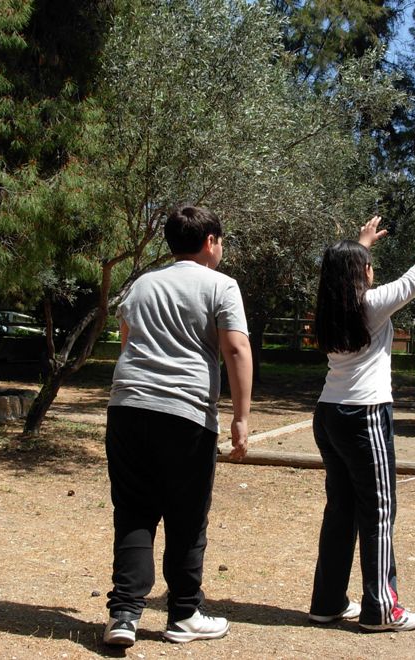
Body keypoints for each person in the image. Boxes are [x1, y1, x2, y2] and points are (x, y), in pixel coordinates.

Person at [103, 206, 252, 647]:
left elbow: (127, 340)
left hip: (127, 407)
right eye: (221, 241)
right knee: (187, 516)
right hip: (185, 413)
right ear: (210, 241)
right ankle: (184, 613)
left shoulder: (142, 284)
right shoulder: (221, 285)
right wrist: (241, 417)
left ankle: (124, 614)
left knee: (134, 511)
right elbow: (236, 350)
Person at [308, 208, 415, 632]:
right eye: (367, 266)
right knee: (378, 511)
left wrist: (361, 245)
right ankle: (381, 609)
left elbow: (345, 276)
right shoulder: (371, 305)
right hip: (364, 415)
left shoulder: (329, 308)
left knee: (341, 510)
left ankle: (328, 603)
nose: (372, 271)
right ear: (362, 274)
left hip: (329, 413)